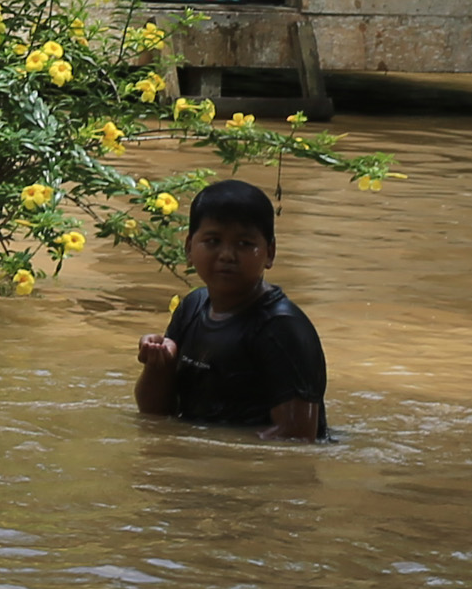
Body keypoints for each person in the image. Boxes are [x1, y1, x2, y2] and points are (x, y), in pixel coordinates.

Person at [135, 177, 329, 440]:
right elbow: (154, 414)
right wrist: (158, 365)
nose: (227, 255)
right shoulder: (192, 307)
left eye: (244, 244)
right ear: (189, 248)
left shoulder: (282, 328)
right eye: (213, 241)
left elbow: (296, 438)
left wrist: (206, 454)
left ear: (269, 253)